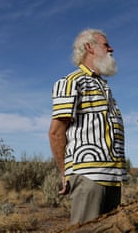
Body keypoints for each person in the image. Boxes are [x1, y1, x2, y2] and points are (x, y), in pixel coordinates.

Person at [48, 28, 127, 224]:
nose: (111, 48)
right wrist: (65, 172)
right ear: (89, 47)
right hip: (89, 177)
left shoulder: (103, 86)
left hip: (113, 178)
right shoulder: (72, 82)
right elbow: (56, 133)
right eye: (106, 44)